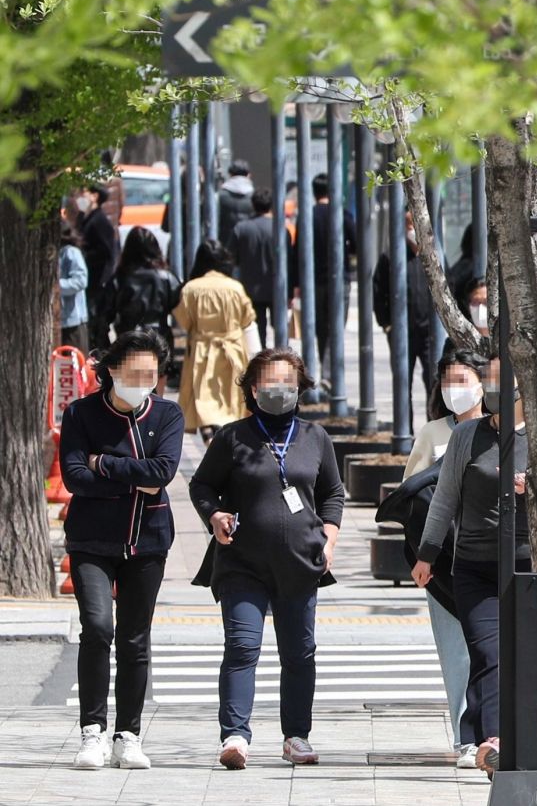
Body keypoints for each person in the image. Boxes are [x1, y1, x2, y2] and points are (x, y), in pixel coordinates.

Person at [189, 347, 345, 771]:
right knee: (242, 647)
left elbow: (333, 493)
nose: (280, 391)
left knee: (300, 652)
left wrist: (329, 538)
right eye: (271, 383)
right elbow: (201, 485)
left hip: (300, 562)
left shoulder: (315, 437)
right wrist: (215, 514)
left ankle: (296, 736)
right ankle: (235, 736)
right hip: (242, 562)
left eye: (288, 384)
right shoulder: (233, 436)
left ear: (300, 388)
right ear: (253, 388)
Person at [59, 329, 184, 771]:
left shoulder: (167, 415)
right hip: (91, 540)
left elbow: (163, 472)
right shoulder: (81, 414)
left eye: (151, 374)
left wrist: (104, 463)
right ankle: (91, 732)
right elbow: (75, 477)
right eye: (134, 373)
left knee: (135, 639)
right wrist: (136, 476)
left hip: (147, 540)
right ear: (111, 370)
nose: (144, 381)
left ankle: (127, 735)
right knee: (97, 627)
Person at [411, 357, 528, 778]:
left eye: (504, 378)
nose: (496, 386)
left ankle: (509, 735)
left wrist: (533, 488)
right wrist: (427, 553)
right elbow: (445, 498)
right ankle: (493, 740)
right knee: (487, 649)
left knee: (522, 657)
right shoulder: (466, 434)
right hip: (474, 565)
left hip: (529, 565)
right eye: (491, 378)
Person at [403, 349, 487, 768]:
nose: (457, 389)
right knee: (456, 651)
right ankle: (465, 736)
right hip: (441, 563)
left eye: (464, 379)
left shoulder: (500, 432)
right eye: (449, 381)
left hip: (486, 555)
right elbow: (411, 497)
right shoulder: (433, 433)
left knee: (488, 650)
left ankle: (490, 730)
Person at [174, 239, 256, 443]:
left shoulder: (191, 288)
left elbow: (183, 320)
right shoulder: (235, 287)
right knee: (231, 397)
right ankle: (228, 437)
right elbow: (247, 318)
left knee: (205, 395)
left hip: (202, 350)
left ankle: (210, 433)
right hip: (232, 349)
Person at [373, 209, 433, 429]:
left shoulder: (433, 256)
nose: (412, 230)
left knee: (433, 382)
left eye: (415, 224)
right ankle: (404, 431)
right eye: (408, 225)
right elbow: (378, 293)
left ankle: (432, 431)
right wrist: (387, 325)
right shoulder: (391, 257)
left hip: (429, 333)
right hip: (402, 333)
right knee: (402, 382)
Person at [294, 172, 357, 382]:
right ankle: (331, 375)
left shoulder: (307, 216)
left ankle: (326, 369)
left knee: (321, 327)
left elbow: (298, 251)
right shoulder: (343, 215)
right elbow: (357, 244)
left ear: (313, 193)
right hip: (340, 279)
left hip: (314, 281)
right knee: (336, 326)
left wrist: (296, 283)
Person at [104, 226, 181, 390]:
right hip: (159, 339)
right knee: (157, 395)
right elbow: (178, 303)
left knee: (130, 392)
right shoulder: (166, 278)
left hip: (128, 340)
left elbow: (104, 315)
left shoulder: (119, 279)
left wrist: (103, 348)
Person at [230, 188, 291, 348]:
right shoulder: (281, 230)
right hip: (277, 287)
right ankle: (281, 358)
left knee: (256, 332)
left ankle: (260, 361)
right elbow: (290, 261)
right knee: (280, 329)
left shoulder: (241, 229)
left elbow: (231, 259)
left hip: (250, 287)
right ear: (271, 206)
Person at [78, 184, 119, 350]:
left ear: (94, 196)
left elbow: (107, 253)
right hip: (93, 283)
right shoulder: (88, 218)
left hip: (98, 284)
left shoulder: (99, 221)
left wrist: (84, 256)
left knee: (98, 330)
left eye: (83, 193)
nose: (80, 198)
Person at [59, 223, 89, 353]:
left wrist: (55, 287)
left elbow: (80, 281)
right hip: (57, 322)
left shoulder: (70, 252)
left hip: (72, 322)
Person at [218, 159, 255, 246]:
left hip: (225, 241)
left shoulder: (220, 195)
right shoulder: (254, 196)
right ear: (248, 175)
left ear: (230, 174)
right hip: (247, 241)